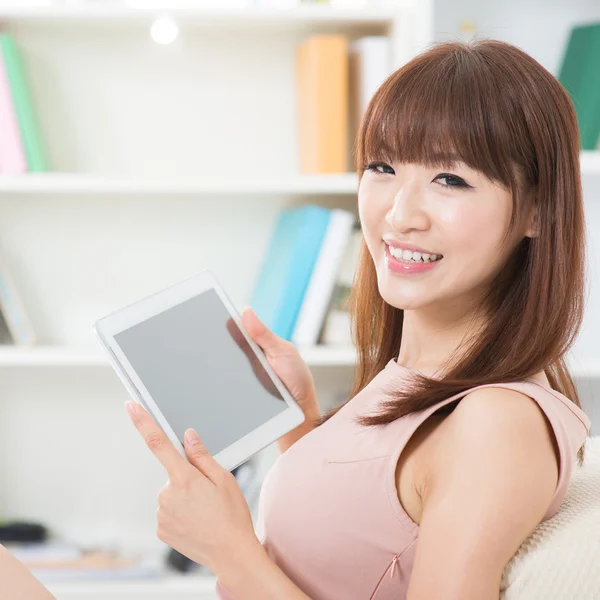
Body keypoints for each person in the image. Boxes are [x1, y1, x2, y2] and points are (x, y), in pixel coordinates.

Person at [126, 38, 591, 600]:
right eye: (382, 166)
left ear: (538, 210)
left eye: (451, 180)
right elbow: (357, 547)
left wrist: (229, 551)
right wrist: (300, 422)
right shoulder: (413, 383)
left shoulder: (498, 421)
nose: (398, 214)